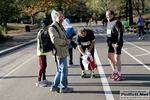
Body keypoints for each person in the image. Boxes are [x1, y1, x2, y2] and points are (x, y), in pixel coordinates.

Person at [48, 11, 74, 93]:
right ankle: (63, 87)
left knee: (60, 70)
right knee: (64, 71)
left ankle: (54, 86)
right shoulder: (53, 27)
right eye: (60, 17)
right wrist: (65, 42)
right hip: (59, 52)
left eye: (62, 17)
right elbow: (55, 40)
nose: (62, 19)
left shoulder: (59, 26)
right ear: (55, 18)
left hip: (62, 50)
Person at [106, 10, 124, 81]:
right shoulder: (108, 22)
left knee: (117, 58)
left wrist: (118, 42)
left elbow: (120, 32)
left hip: (117, 43)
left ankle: (119, 74)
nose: (107, 17)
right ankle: (114, 72)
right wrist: (108, 41)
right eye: (106, 16)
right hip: (111, 43)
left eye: (109, 16)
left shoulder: (117, 22)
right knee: (110, 57)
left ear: (112, 15)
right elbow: (108, 33)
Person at [36, 20, 51, 87]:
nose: (49, 26)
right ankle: (38, 81)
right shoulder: (43, 32)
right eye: (48, 25)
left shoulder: (43, 31)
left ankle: (44, 79)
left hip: (43, 52)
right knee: (42, 66)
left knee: (44, 65)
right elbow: (44, 43)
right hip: (41, 51)